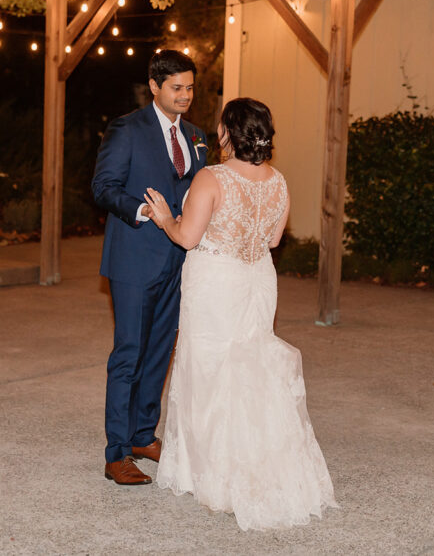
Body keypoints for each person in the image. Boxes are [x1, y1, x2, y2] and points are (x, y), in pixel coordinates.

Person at [143, 98, 337, 530]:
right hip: (257, 281)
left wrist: (163, 218)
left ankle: (213, 475)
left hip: (216, 282)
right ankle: (260, 464)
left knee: (210, 368)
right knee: (252, 364)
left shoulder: (211, 178)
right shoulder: (279, 182)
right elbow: (270, 241)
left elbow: (188, 238)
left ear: (228, 133)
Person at [92, 49, 207, 485]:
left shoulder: (196, 135)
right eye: (176, 88)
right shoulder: (127, 129)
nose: (185, 95)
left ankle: (143, 434)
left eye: (190, 87)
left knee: (160, 353)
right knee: (128, 355)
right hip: (135, 259)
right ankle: (117, 452)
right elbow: (103, 187)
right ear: (155, 87)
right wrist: (142, 210)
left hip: (180, 261)